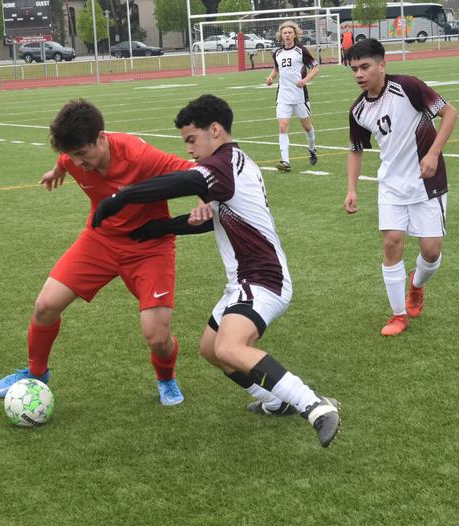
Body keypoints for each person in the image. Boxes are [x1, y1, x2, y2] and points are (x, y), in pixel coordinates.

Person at [91, 94, 340, 448]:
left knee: (229, 347)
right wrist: (160, 228)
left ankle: (315, 406)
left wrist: (122, 197)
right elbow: (212, 221)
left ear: (216, 130)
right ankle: (275, 400)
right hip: (243, 281)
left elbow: (184, 181)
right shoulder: (233, 164)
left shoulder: (222, 164)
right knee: (211, 350)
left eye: (192, 139)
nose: (189, 149)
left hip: (263, 279)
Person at [0, 100, 197, 406]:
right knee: (45, 305)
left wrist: (207, 198)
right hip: (100, 240)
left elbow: (196, 173)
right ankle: (36, 373)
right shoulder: (73, 156)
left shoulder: (140, 156)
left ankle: (166, 378)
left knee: (157, 336)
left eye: (82, 154)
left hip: (149, 246)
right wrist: (55, 170)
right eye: (72, 155)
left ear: (101, 137)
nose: (78, 162)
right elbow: (65, 159)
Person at [342, 39, 457, 336]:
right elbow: (356, 149)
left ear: (383, 64)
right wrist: (351, 189)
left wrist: (432, 154)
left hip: (427, 182)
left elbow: (450, 114)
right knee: (392, 241)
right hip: (391, 184)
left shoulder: (408, 87)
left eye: (365, 67)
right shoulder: (357, 111)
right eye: (354, 69)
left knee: (431, 252)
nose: (359, 74)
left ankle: (416, 286)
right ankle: (398, 315)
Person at [265, 20, 321, 172]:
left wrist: (304, 80)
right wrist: (271, 78)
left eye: (290, 32)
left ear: (295, 34)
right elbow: (276, 69)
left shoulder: (301, 50)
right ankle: (285, 161)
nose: (287, 35)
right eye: (285, 33)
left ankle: (312, 149)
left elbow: (316, 68)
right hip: (283, 95)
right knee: (283, 126)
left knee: (307, 126)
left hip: (299, 96)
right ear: (281, 36)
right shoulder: (277, 52)